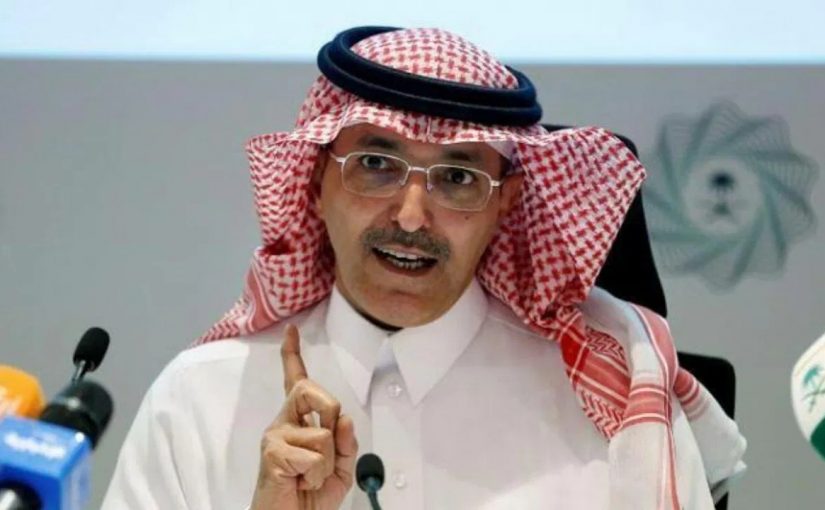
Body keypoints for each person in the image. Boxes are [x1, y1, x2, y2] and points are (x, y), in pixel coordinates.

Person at [102, 26, 746, 510]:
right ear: (316, 181)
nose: (411, 217)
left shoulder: (615, 403)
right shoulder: (200, 401)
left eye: (458, 178)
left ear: (506, 203)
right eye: (375, 165)